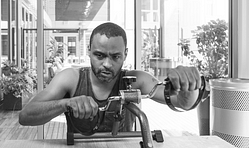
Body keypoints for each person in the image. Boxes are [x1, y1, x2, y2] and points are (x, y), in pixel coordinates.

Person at [19, 22, 201, 135]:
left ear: (125, 54)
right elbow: (25, 116)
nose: (107, 64)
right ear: (89, 51)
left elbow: (183, 103)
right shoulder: (71, 79)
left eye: (115, 57)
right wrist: (65, 104)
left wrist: (189, 85)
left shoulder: (136, 80)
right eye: (99, 55)